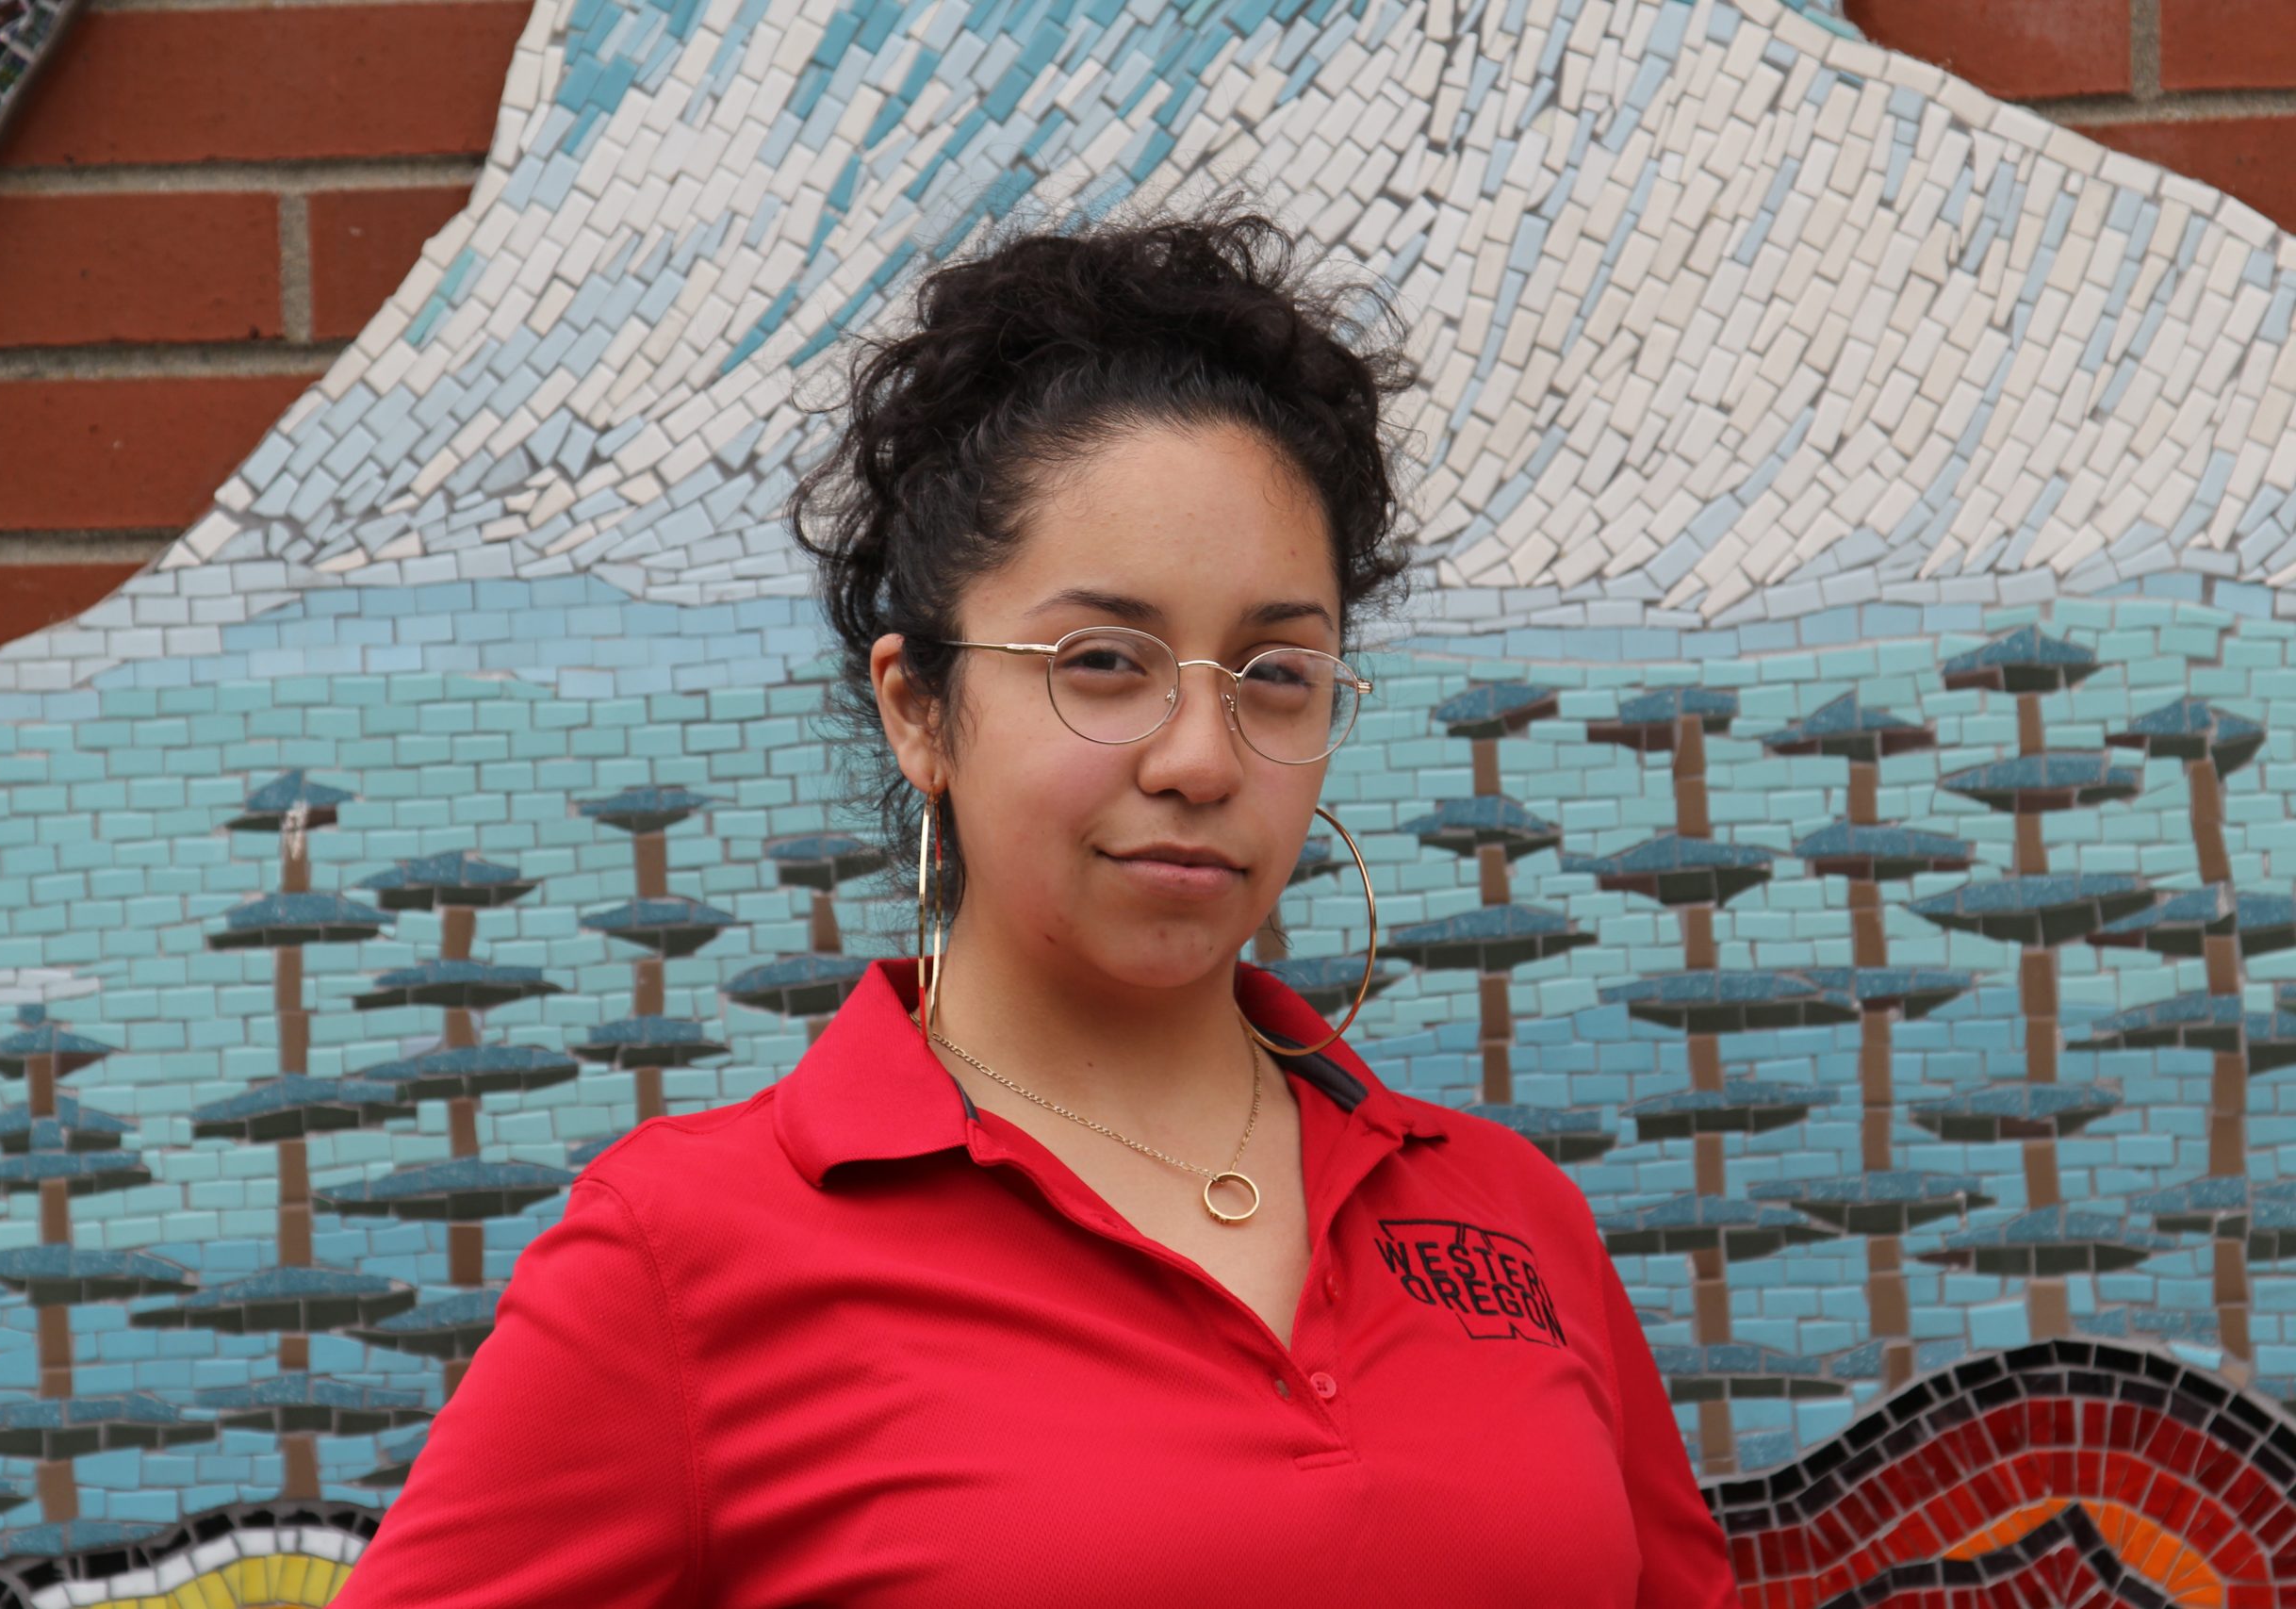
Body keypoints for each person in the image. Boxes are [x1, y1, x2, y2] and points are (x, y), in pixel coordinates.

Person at [327, 196, 1745, 1607]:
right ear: (920, 710)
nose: (1200, 760)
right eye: (1104, 663)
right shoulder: (681, 1258)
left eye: (1275, 674)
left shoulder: (1512, 1213)